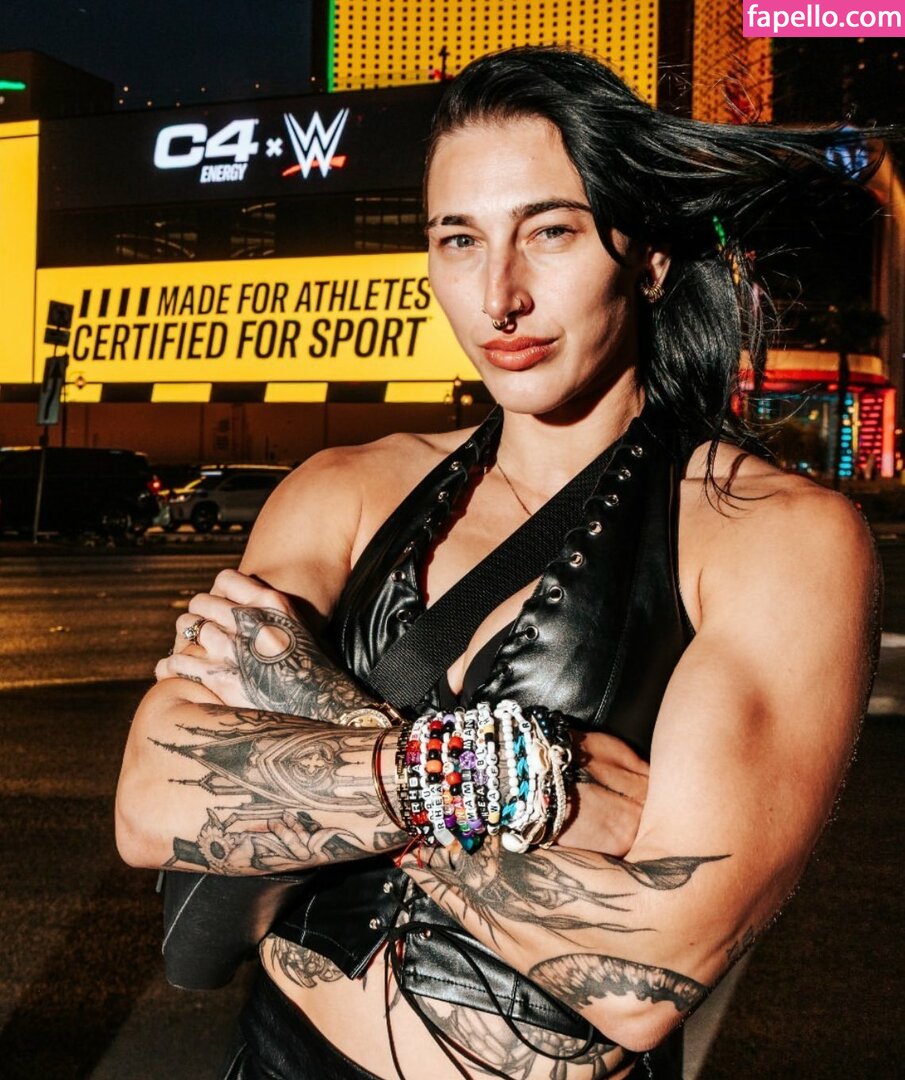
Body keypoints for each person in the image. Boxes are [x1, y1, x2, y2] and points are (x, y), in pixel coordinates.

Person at [116, 46, 882, 1080]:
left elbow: (644, 969)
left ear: (648, 256)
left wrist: (306, 716)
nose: (498, 296)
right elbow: (153, 800)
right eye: (457, 240)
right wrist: (510, 783)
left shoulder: (769, 536)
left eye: (550, 231)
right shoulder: (344, 489)